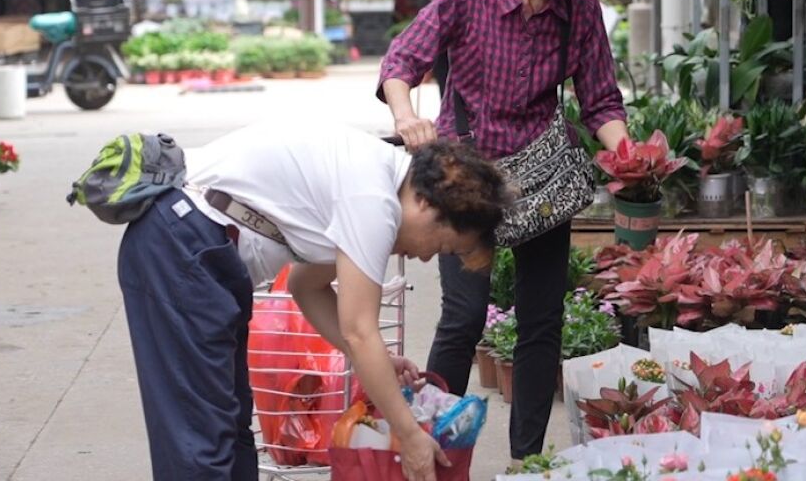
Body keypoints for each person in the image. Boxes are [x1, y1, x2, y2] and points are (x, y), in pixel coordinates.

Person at [377, 0, 630, 466]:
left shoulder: (581, 8)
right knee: (462, 318)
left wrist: (626, 153)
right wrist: (408, 114)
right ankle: (434, 450)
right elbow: (403, 60)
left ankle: (529, 461)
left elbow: (601, 102)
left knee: (543, 323)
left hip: (543, 184)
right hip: (466, 181)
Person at [116, 119, 511, 481]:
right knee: (199, 434)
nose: (425, 255)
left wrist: (379, 363)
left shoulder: (377, 179)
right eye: (441, 244)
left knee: (229, 424)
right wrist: (409, 435)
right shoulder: (374, 201)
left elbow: (308, 286)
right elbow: (360, 332)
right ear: (428, 203)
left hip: (197, 252)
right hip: (181, 248)